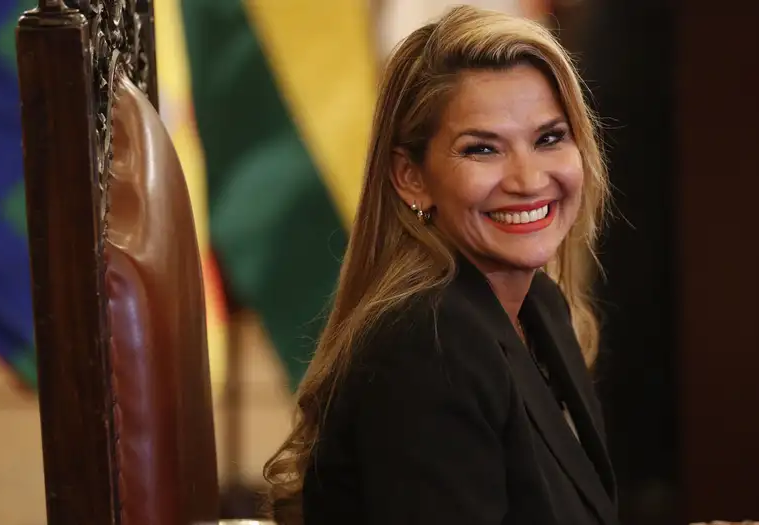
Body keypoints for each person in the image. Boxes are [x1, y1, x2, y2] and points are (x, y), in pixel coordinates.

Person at [263, 5, 615, 524]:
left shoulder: (542, 309)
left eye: (549, 139)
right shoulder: (428, 342)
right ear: (411, 177)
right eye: (482, 149)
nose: (528, 179)